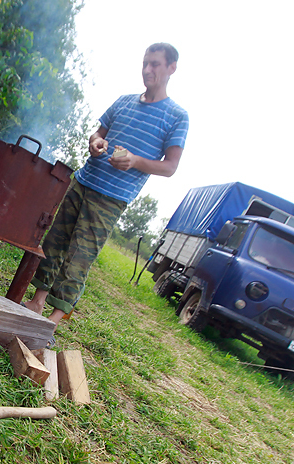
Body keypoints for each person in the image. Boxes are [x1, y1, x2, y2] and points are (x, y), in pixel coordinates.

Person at [24, 43, 189, 335]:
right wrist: (95, 142)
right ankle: (36, 303)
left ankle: (51, 323)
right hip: (84, 181)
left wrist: (136, 161)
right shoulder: (124, 101)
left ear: (171, 68)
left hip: (111, 198)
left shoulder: (176, 116)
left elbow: (170, 167)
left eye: (155, 64)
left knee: (79, 257)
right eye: (145, 63)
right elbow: (98, 132)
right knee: (54, 244)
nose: (147, 70)